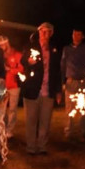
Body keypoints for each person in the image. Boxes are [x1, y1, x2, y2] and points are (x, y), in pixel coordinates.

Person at [21, 22, 62, 155]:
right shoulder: (31, 46)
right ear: (39, 32)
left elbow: (57, 71)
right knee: (31, 120)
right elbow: (23, 61)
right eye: (43, 31)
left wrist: (58, 90)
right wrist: (29, 62)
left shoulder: (54, 49)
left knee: (45, 120)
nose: (45, 34)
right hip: (32, 89)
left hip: (48, 90)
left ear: (51, 34)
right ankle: (31, 147)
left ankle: (42, 146)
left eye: (48, 32)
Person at [61, 27, 85, 142]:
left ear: (83, 36)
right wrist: (63, 81)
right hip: (71, 81)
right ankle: (68, 131)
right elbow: (63, 65)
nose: (75, 36)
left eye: (78, 34)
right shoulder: (67, 49)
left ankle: (83, 132)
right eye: (74, 34)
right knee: (69, 108)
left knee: (83, 107)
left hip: (83, 81)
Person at [0, 35, 23, 138]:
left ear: (8, 43)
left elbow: (21, 69)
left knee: (12, 109)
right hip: (2, 86)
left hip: (14, 86)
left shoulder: (17, 54)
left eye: (4, 44)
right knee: (2, 109)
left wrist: (10, 70)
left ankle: (9, 130)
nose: (2, 46)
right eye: (1, 45)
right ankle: (2, 128)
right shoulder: (0, 56)